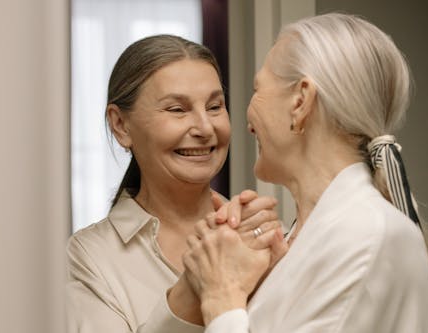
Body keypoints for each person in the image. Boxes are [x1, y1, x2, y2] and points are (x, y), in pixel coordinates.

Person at [181, 13, 428, 332]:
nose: (246, 116)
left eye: (258, 88)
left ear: (301, 101)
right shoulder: (315, 238)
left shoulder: (361, 236)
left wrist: (220, 296)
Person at [65, 35, 283, 333]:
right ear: (120, 125)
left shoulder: (260, 237)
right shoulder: (89, 257)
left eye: (215, 106)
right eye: (177, 110)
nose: (205, 128)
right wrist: (193, 290)